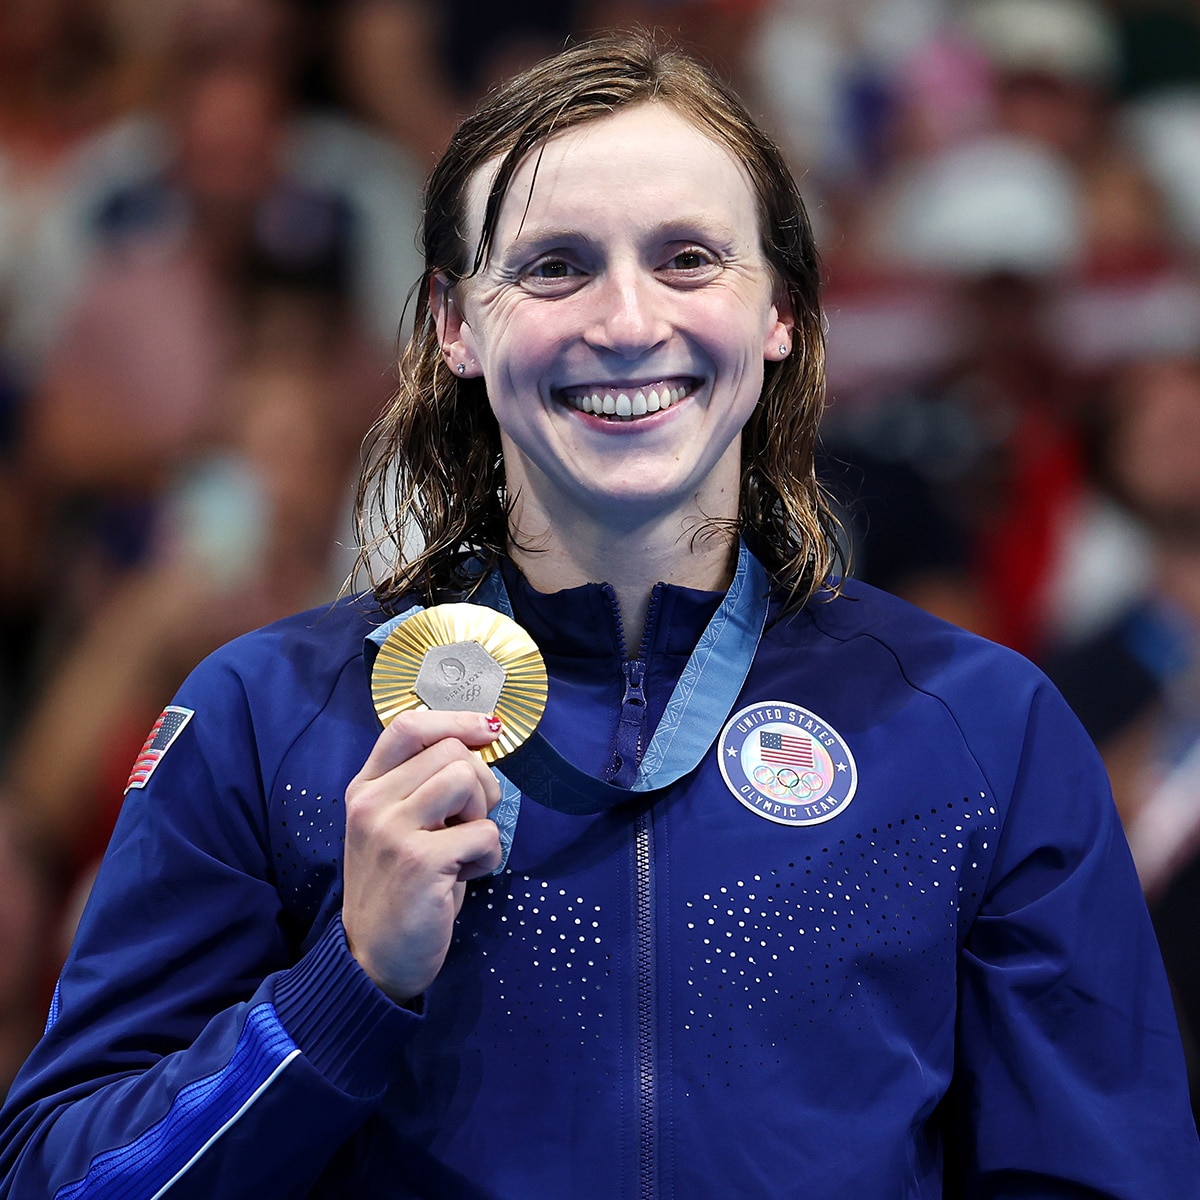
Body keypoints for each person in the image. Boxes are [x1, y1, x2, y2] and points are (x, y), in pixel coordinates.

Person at [0, 32, 1197, 1198]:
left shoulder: (977, 731)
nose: (627, 323)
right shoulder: (267, 719)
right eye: (554, 265)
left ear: (777, 309)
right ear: (455, 323)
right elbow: (63, 1175)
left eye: (686, 259)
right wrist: (349, 984)